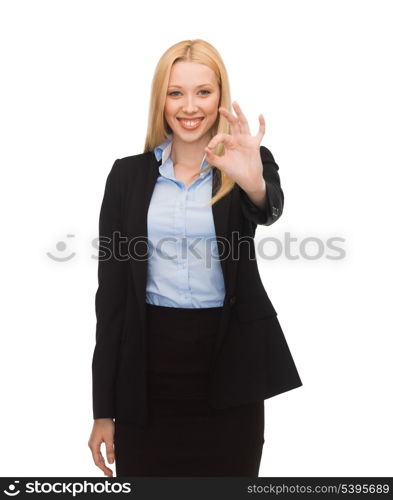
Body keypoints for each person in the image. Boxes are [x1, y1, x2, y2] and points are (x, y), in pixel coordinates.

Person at [88, 39, 302, 477]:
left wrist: (252, 182)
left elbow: (267, 208)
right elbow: (110, 299)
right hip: (147, 374)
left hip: (230, 369)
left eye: (203, 92)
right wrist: (103, 408)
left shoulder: (249, 163)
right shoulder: (126, 176)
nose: (190, 106)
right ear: (160, 100)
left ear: (221, 96)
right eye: (176, 93)